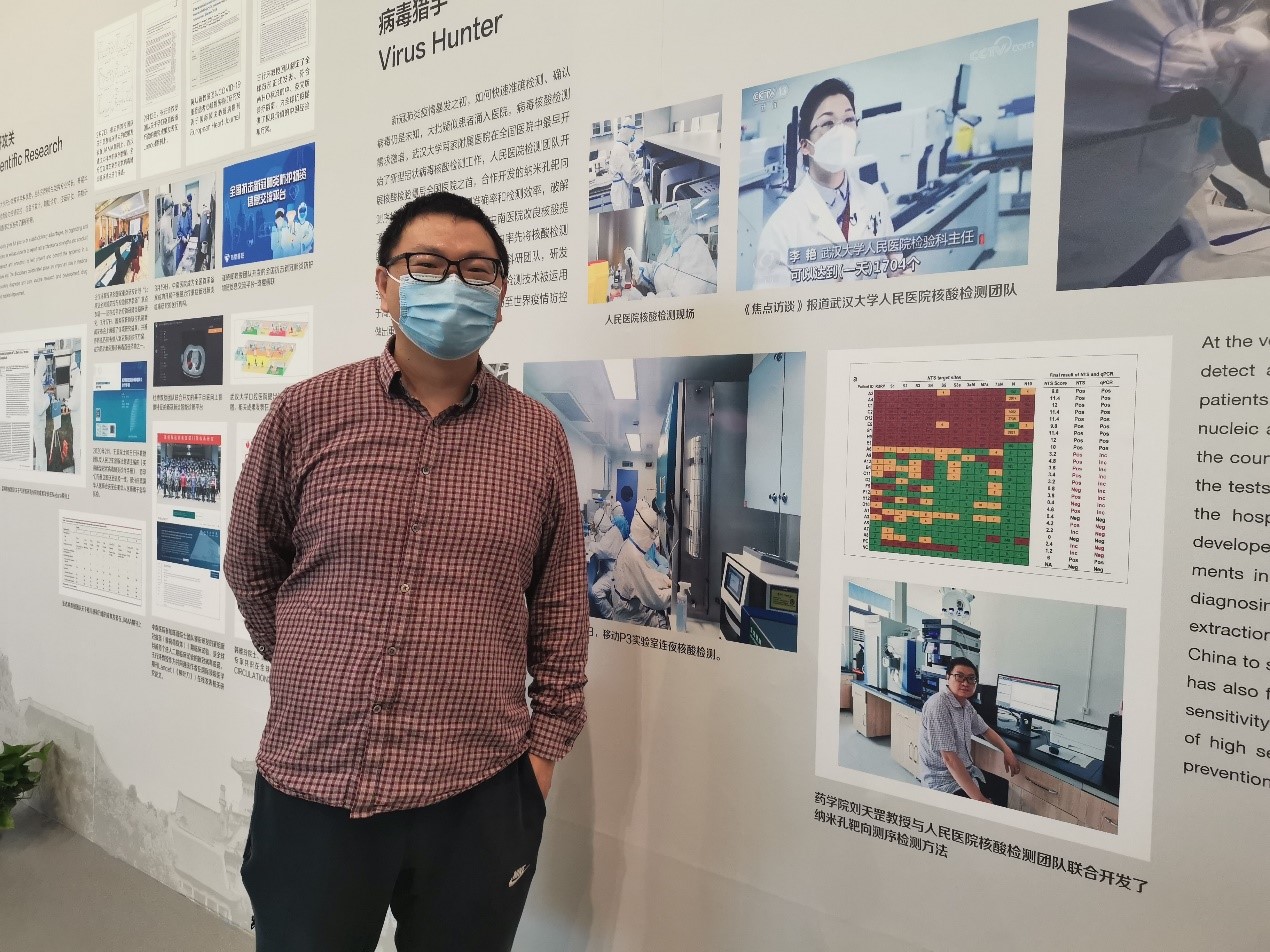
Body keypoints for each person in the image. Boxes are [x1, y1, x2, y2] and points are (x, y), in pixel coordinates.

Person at [225, 190, 589, 952]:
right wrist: (315, 669)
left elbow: (560, 609)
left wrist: (542, 759)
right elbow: (252, 565)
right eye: (427, 265)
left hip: (480, 788)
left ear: (501, 294)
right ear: (385, 284)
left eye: (477, 270)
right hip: (317, 776)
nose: (453, 283)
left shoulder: (537, 437)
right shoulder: (307, 412)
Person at [754, 78, 899, 288]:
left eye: (849, 119)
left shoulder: (875, 199)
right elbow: (769, 305)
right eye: (828, 123)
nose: (841, 132)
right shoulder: (779, 230)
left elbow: (895, 266)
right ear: (805, 145)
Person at [918, 658, 1019, 802]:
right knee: (985, 801)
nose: (965, 683)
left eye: (971, 679)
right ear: (948, 677)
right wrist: (980, 800)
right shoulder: (939, 705)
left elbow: (985, 730)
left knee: (1001, 786)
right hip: (943, 783)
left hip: (966, 771)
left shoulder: (965, 705)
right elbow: (949, 759)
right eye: (959, 676)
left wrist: (1006, 750)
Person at [623, 200, 718, 297]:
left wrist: (645, 301)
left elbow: (681, 298)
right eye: (664, 221)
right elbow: (656, 272)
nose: (664, 226)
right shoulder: (669, 247)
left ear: (681, 218)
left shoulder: (695, 246)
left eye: (668, 220)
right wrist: (636, 265)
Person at [611, 499, 672, 628]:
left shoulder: (630, 545)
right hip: (631, 619)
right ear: (645, 530)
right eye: (653, 533)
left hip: (632, 610)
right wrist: (676, 593)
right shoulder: (634, 557)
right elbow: (656, 599)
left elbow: (648, 574)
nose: (654, 537)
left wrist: (666, 580)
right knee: (664, 626)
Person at [608, 116, 649, 211]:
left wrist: (636, 153)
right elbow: (630, 174)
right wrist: (643, 172)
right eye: (633, 134)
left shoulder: (620, 146)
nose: (633, 137)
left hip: (620, 188)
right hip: (621, 191)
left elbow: (626, 159)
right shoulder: (621, 149)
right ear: (628, 133)